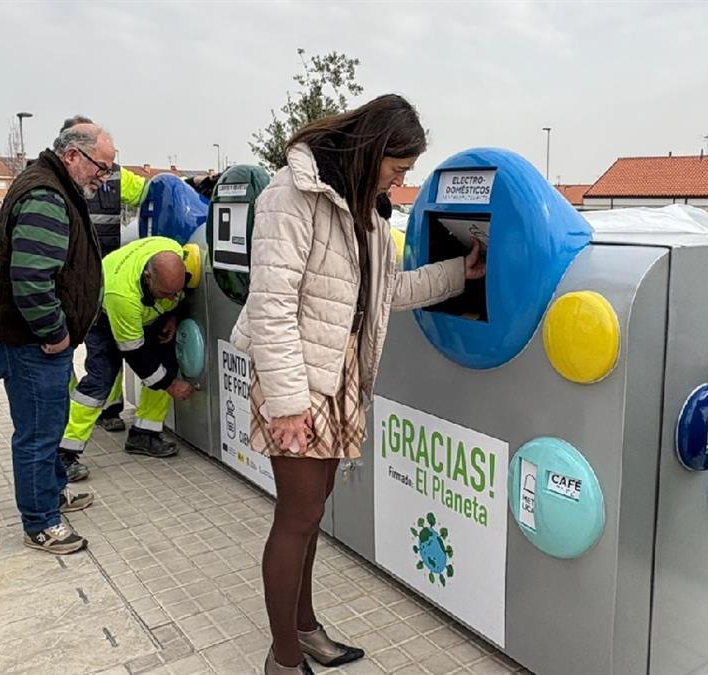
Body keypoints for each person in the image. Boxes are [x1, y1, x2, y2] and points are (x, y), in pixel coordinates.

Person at [230, 94, 485, 675]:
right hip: (293, 378)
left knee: (312, 511)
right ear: (372, 151)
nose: (398, 186)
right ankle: (285, 661)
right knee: (295, 517)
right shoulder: (289, 197)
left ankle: (305, 628)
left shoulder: (362, 211)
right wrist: (290, 405)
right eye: (397, 171)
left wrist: (457, 273)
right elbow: (270, 306)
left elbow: (383, 294)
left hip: (338, 372)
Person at [0, 123, 114, 555]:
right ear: (73, 156)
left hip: (33, 341)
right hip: (30, 343)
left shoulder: (54, 186)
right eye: (100, 167)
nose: (103, 177)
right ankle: (40, 522)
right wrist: (56, 333)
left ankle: (51, 496)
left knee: (50, 425)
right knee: (38, 433)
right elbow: (33, 278)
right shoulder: (47, 195)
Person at [56, 115, 150, 482]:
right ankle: (66, 429)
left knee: (104, 355)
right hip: (68, 285)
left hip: (101, 281)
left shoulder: (115, 176)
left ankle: (106, 410)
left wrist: (196, 186)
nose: (102, 170)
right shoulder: (53, 184)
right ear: (72, 151)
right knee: (68, 357)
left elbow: (147, 192)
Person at [59, 236, 201, 459]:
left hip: (143, 310)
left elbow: (180, 294)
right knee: (101, 379)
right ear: (147, 277)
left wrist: (173, 315)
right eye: (166, 294)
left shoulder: (176, 254)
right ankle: (64, 452)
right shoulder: (123, 297)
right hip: (103, 313)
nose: (172, 297)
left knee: (164, 364)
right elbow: (136, 354)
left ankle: (144, 435)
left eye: (176, 292)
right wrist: (170, 385)